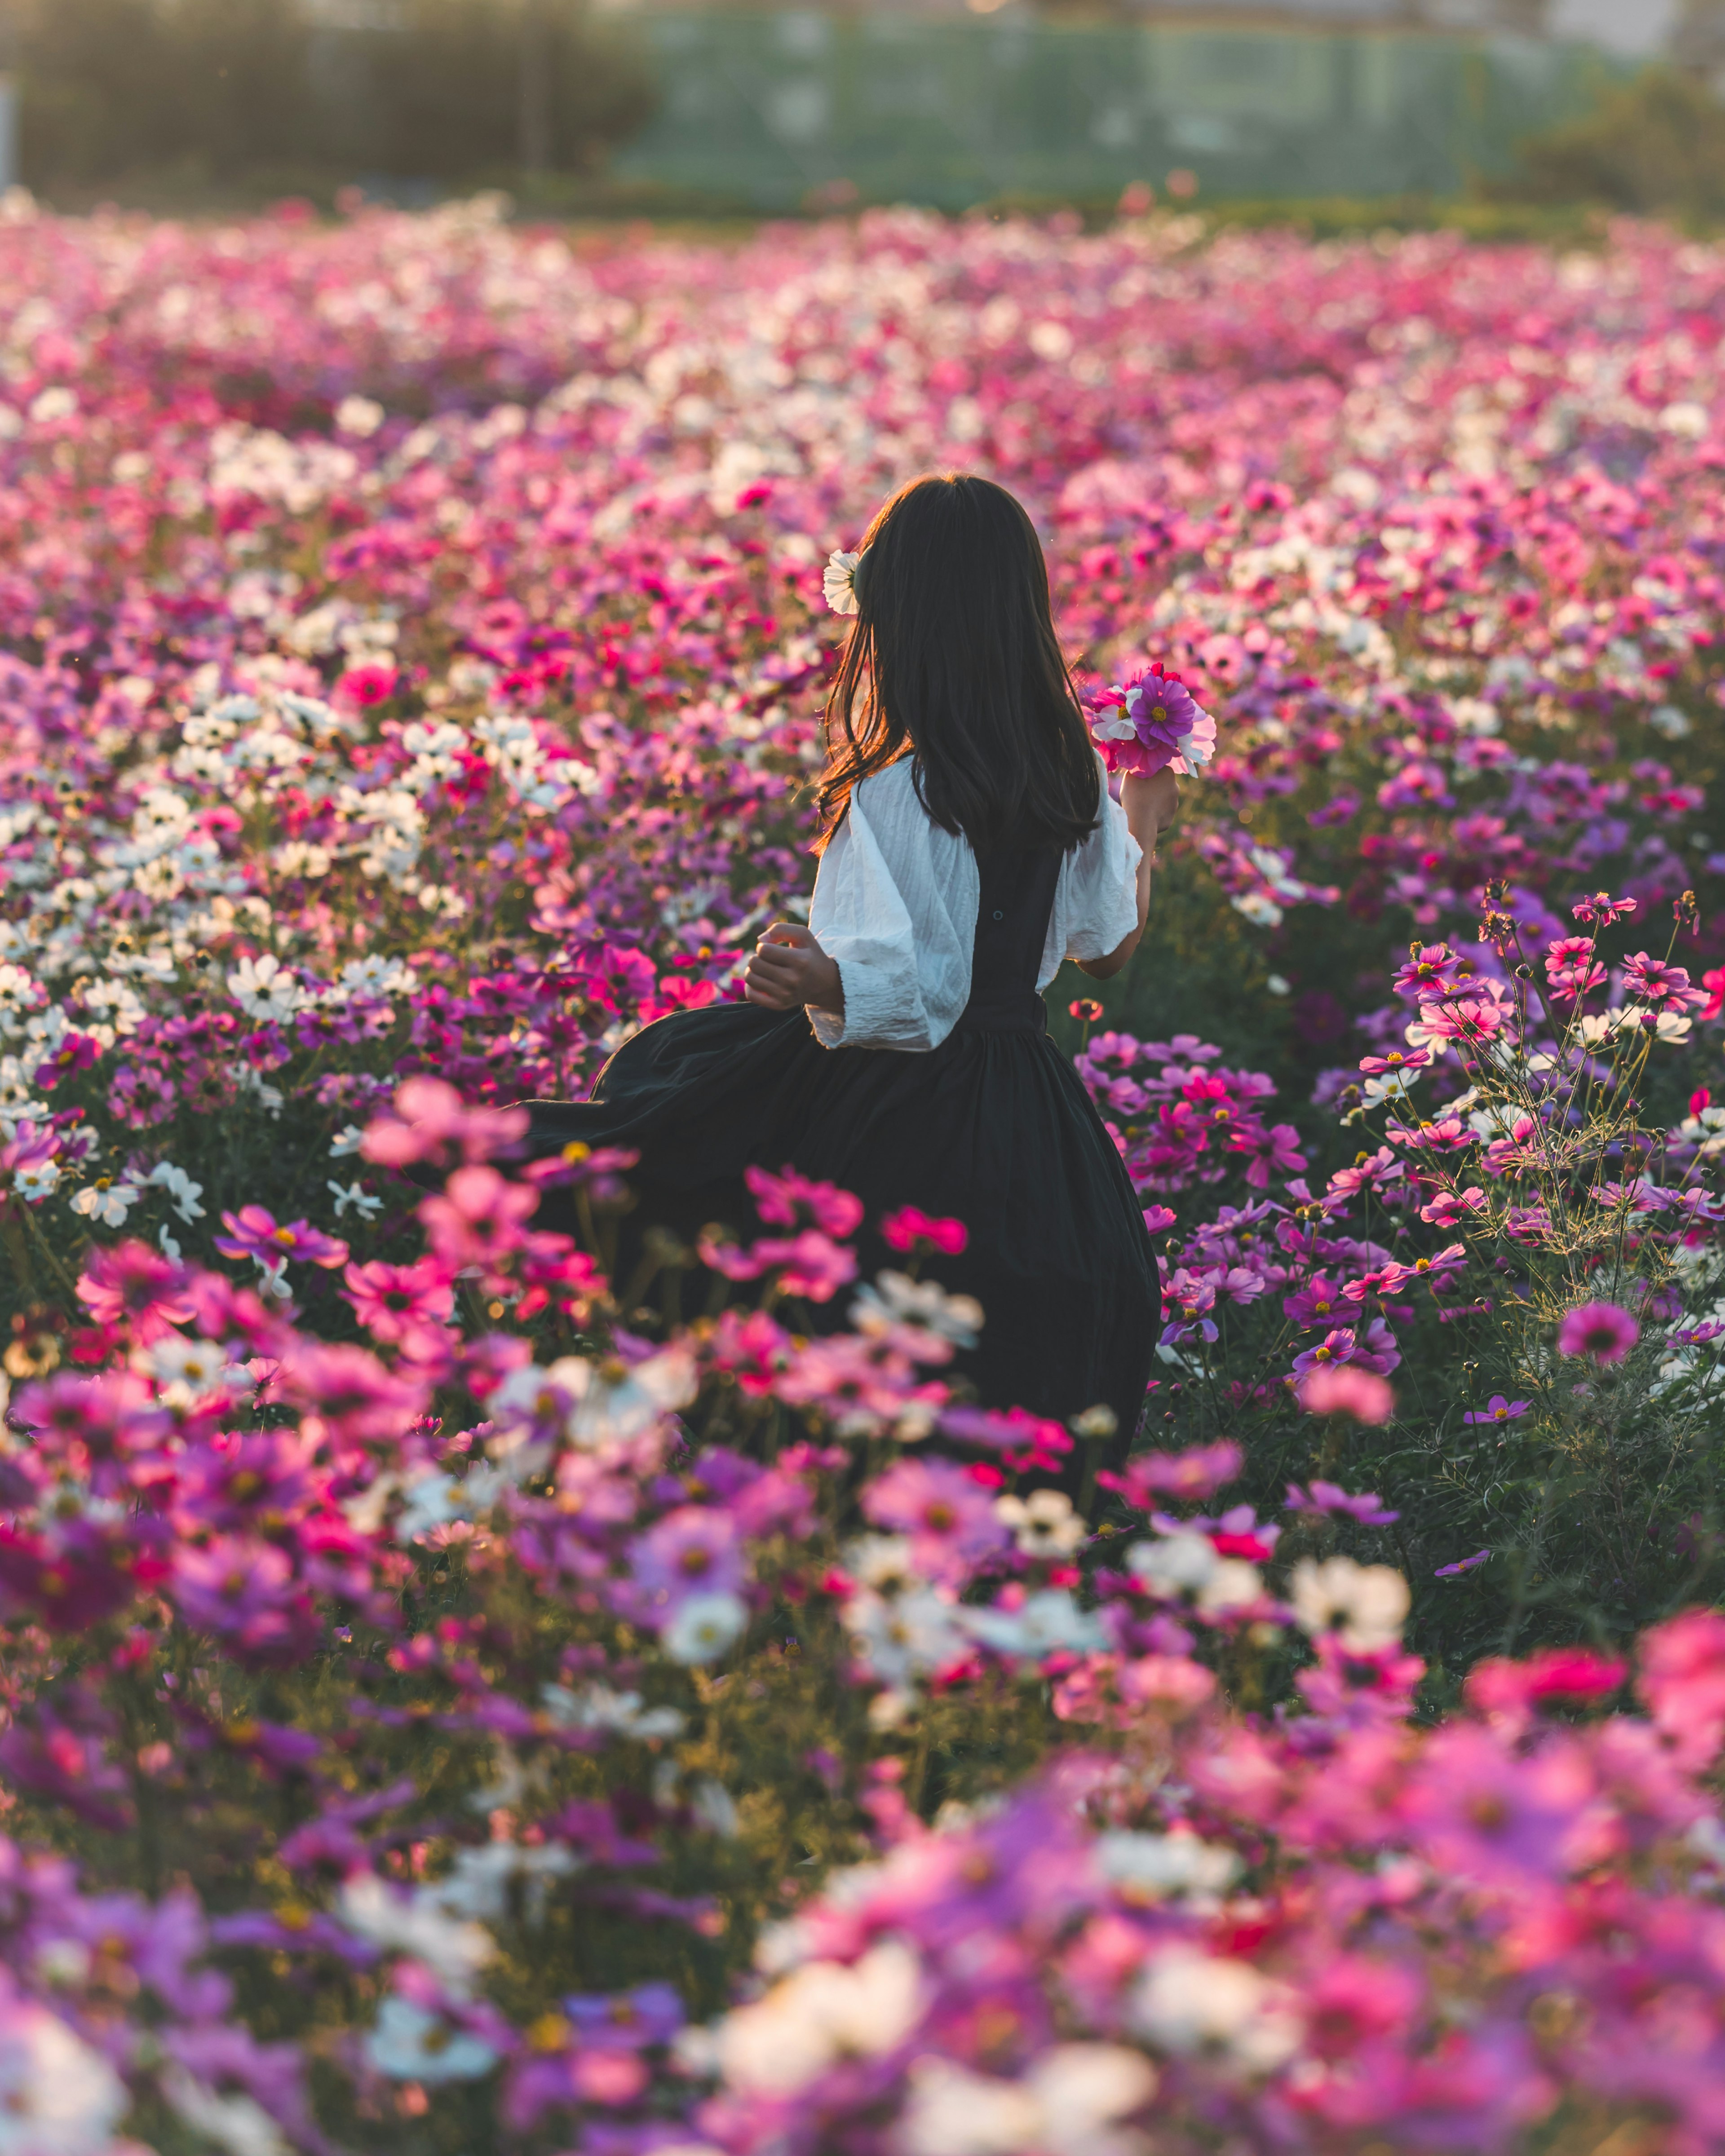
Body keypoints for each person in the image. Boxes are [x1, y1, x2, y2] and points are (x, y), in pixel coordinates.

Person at [523, 473, 1177, 1451]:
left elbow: (921, 1001)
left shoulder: (896, 791)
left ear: (899, 625)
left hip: (907, 1111)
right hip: (1029, 1108)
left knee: (700, 1149)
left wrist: (823, 981)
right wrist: (1146, 819)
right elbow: (1111, 951)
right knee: (1032, 1339)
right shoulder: (1073, 766)